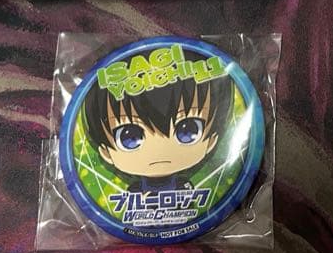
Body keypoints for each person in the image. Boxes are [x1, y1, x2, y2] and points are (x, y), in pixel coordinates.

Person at [83, 60, 232, 193]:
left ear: (211, 140)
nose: (159, 149)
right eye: (130, 138)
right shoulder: (134, 192)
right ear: (106, 152)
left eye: (187, 130)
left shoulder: (185, 187)